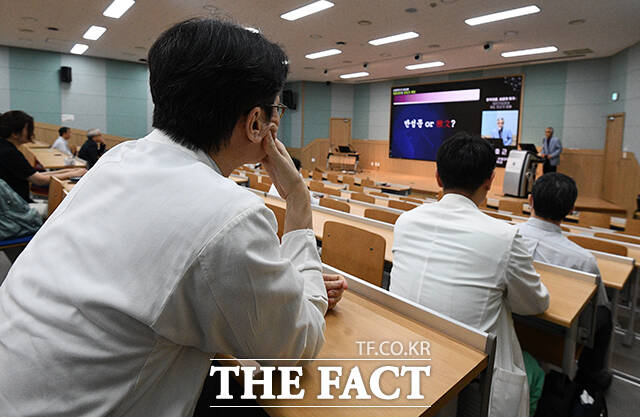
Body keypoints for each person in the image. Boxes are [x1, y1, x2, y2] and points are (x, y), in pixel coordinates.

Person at [0, 18, 346, 416]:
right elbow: (291, 352)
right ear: (256, 123)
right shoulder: (230, 214)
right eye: (276, 109)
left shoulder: (118, 158)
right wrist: (299, 204)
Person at [389, 132, 549, 417]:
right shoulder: (505, 236)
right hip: (461, 363)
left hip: (402, 343)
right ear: (489, 180)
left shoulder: (406, 221)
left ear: (438, 177)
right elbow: (533, 305)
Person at [517, 173, 612, 387]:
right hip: (558, 339)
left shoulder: (506, 235)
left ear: (530, 200)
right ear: (571, 210)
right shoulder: (584, 261)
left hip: (510, 323)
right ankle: (591, 378)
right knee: (605, 313)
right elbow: (599, 307)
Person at [0, 111, 86, 216]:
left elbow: (35, 174)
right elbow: (40, 180)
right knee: (65, 211)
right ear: (14, 134)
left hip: (13, 204)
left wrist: (70, 171)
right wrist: (72, 174)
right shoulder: (9, 152)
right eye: (29, 129)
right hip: (16, 210)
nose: (32, 133)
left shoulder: (5, 147)